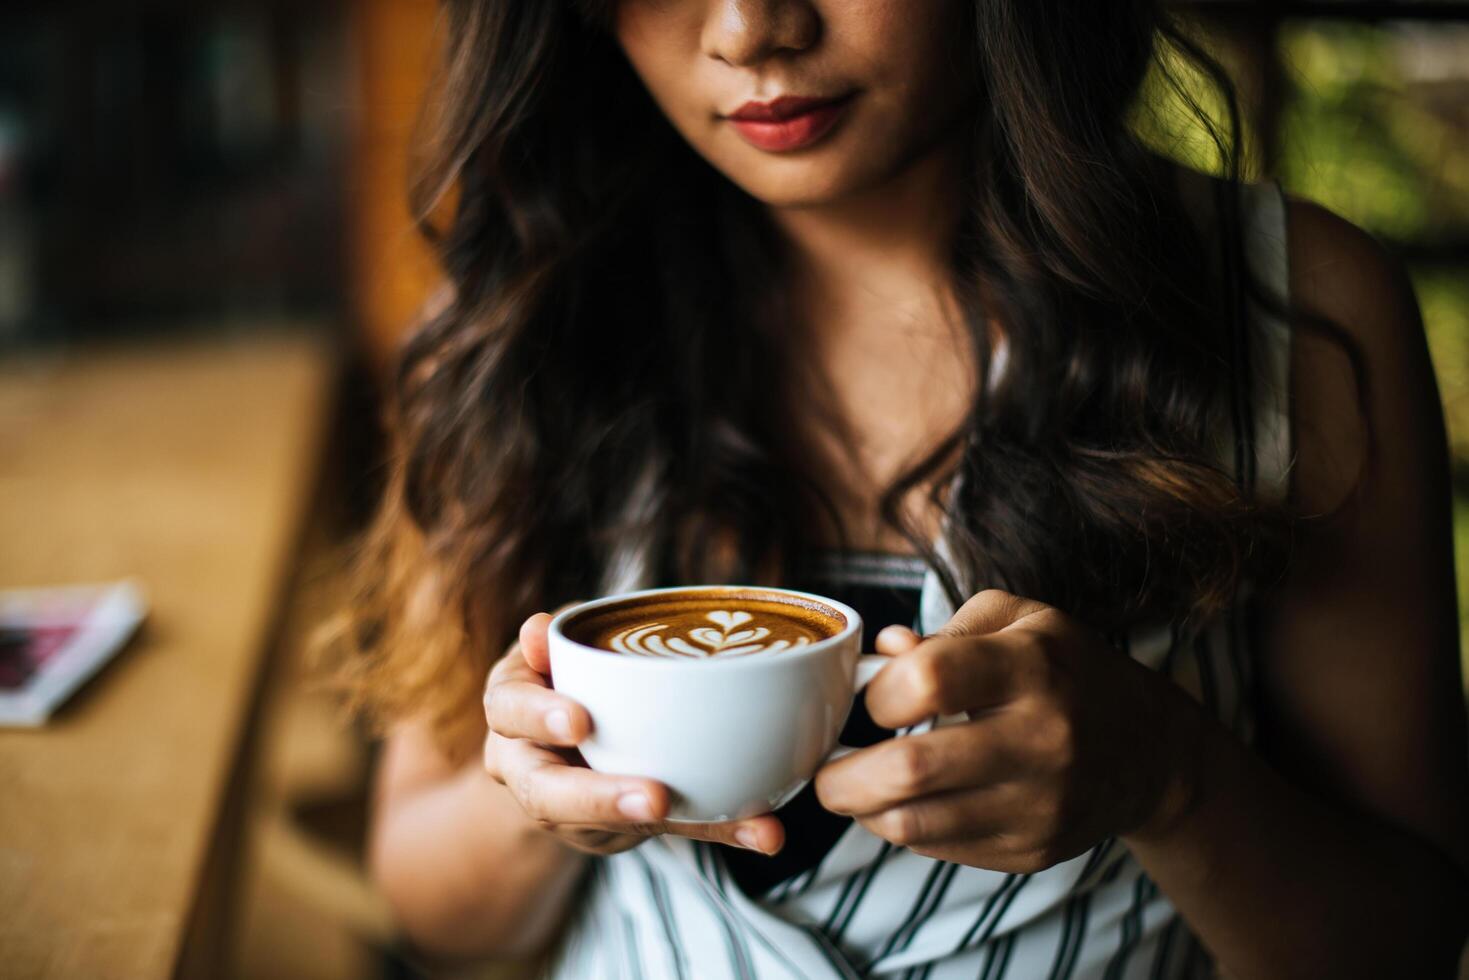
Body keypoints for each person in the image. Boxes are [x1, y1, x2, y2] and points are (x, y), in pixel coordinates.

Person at [324, 0, 1469, 976]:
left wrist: (1169, 779)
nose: (752, 31)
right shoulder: (525, 329)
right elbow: (427, 891)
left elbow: (1406, 940)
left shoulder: (1280, 311)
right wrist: (555, 792)